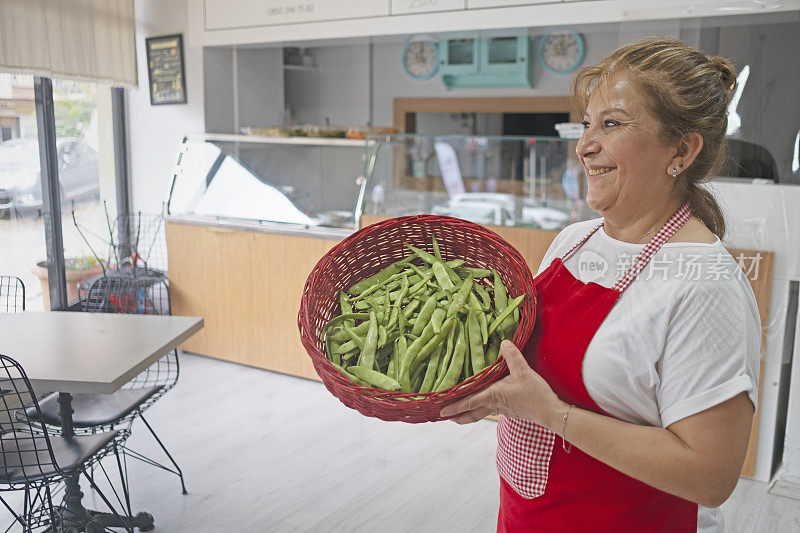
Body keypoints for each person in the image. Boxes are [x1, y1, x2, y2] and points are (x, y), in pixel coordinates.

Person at [440, 37, 761, 533]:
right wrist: (489, 390)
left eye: (611, 124)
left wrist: (551, 414)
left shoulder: (704, 283)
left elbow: (710, 474)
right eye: (588, 123)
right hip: (527, 516)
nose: (585, 145)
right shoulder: (573, 240)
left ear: (682, 148)